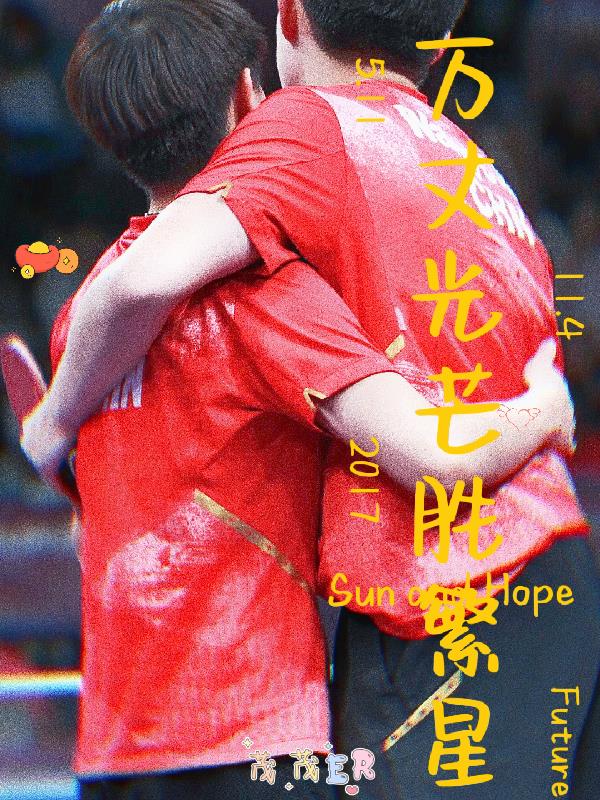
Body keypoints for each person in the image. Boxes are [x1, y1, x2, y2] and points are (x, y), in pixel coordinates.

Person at [22, 0, 597, 796]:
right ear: (244, 98)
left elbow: (140, 286)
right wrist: (544, 409)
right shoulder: (461, 162)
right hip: (522, 579)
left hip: (436, 604)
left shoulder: (88, 319)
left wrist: (48, 426)